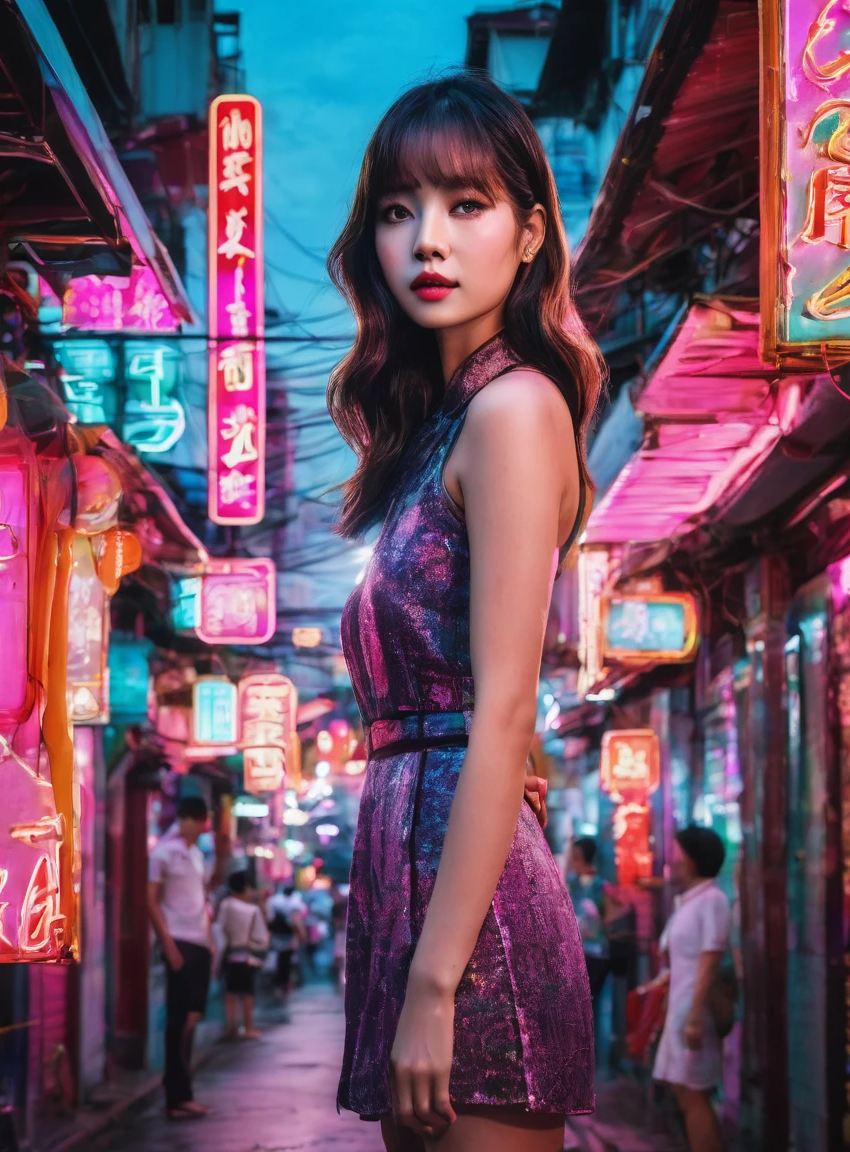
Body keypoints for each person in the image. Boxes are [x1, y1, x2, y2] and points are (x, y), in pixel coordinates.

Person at [329, 71, 603, 1151]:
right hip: (417, 889)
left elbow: (501, 712)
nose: (425, 241)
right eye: (398, 211)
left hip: (466, 921)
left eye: (464, 204)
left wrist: (437, 983)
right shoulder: (436, 433)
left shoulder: (512, 409)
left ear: (530, 231)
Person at [653, 825, 731, 1152]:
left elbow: (710, 961)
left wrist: (696, 1016)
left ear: (694, 860)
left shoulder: (713, 900)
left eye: (676, 854)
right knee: (684, 1094)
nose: (670, 861)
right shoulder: (688, 901)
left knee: (694, 1096)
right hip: (680, 1009)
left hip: (693, 1012)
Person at [147, 796, 213, 1121]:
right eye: (199, 821)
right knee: (178, 1021)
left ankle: (182, 1094)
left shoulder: (197, 854)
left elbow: (202, 899)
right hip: (179, 942)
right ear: (186, 819)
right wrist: (168, 945)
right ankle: (175, 1098)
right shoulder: (162, 852)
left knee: (191, 1019)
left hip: (200, 943)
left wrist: (210, 941)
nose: (202, 828)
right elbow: (150, 901)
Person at [216, 871, 269, 1039]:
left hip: (230, 955)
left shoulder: (226, 904)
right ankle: (248, 1027)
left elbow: (220, 929)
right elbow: (261, 935)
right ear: (246, 887)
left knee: (230, 993)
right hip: (248, 957)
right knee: (247, 993)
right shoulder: (252, 910)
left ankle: (231, 1027)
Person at [567, 836, 609, 1000]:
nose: (572, 860)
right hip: (575, 951)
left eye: (575, 856)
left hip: (595, 951)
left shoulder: (601, 886)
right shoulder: (571, 883)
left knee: (592, 999)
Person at [267, 885, 305, 1004]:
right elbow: (296, 922)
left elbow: (269, 920)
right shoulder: (294, 903)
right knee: (287, 965)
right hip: (288, 939)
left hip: (276, 938)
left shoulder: (274, 901)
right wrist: (300, 937)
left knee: (279, 965)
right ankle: (286, 989)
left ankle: (279, 989)